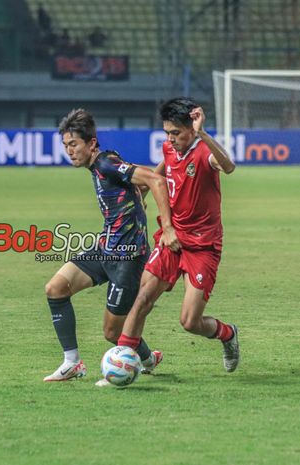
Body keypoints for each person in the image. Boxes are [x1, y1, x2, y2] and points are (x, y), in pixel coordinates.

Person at [43, 108, 178, 384]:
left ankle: (143, 361)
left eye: (74, 144)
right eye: (66, 145)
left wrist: (167, 229)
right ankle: (72, 363)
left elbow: (156, 180)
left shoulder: (106, 163)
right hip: (106, 249)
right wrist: (136, 194)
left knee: (111, 332)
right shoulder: (100, 167)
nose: (69, 151)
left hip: (128, 259)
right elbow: (138, 183)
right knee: (55, 288)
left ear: (91, 143)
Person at [116, 97, 239, 378]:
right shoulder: (170, 148)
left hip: (203, 246)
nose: (171, 140)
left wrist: (204, 134)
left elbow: (229, 167)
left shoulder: (203, 153)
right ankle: (123, 362)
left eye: (176, 133)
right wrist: (146, 188)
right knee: (143, 298)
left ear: (191, 129)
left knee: (189, 321)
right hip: (171, 238)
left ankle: (228, 334)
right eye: (167, 133)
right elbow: (165, 166)